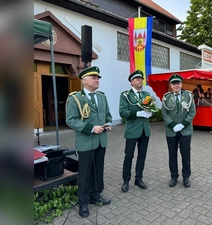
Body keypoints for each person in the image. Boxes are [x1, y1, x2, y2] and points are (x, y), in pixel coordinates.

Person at [65, 66, 112, 218]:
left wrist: (109, 123)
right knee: (84, 173)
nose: (97, 80)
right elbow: (71, 120)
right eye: (94, 77)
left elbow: (108, 115)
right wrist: (91, 128)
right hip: (86, 142)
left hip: (101, 141)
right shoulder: (75, 98)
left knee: (98, 170)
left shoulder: (102, 97)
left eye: (98, 78)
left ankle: (95, 195)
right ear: (84, 80)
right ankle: (83, 202)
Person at [119, 70, 152, 192]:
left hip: (145, 130)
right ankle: (126, 180)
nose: (140, 80)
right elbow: (123, 112)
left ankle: (138, 178)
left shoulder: (146, 95)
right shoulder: (125, 95)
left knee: (142, 156)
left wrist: (150, 112)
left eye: (141, 79)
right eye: (137, 79)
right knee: (129, 156)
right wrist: (138, 113)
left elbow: (151, 109)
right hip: (132, 131)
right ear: (131, 82)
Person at [161, 74, 196, 188]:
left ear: (181, 84)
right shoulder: (166, 97)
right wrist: (172, 125)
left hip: (185, 130)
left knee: (185, 154)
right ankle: (174, 176)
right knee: (172, 154)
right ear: (171, 85)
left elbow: (192, 112)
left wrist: (183, 124)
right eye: (173, 83)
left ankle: (186, 177)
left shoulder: (188, 96)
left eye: (178, 83)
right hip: (171, 131)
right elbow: (164, 113)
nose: (176, 85)